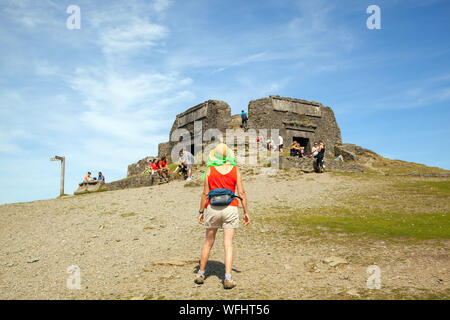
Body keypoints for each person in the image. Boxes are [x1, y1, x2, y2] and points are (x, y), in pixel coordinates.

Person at [196, 143, 250, 289]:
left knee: (208, 242)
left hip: (212, 208)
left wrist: (201, 211)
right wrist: (245, 212)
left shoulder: (209, 170)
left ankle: (200, 273)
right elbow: (242, 193)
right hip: (231, 208)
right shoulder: (235, 170)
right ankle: (227, 277)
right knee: (228, 244)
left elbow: (205, 193)